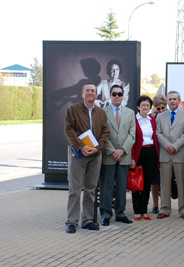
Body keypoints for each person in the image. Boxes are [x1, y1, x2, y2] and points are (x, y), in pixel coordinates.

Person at [64, 82, 110, 234]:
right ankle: (71, 222)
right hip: (78, 154)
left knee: (91, 189)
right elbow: (69, 130)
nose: (90, 93)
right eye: (87, 91)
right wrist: (81, 146)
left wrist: (97, 148)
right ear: (82, 94)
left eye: (93, 91)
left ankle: (88, 220)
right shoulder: (73, 109)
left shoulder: (101, 113)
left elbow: (105, 133)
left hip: (95, 155)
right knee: (75, 190)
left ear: (96, 95)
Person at [99, 84, 136, 226]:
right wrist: (112, 151)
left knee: (121, 188)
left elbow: (132, 135)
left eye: (119, 94)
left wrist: (122, 150)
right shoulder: (103, 112)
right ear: (110, 95)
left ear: (123, 96)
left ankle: (120, 214)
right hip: (108, 156)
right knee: (106, 187)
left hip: (124, 156)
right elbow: (101, 133)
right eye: (114, 94)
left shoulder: (130, 113)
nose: (117, 97)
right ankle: (106, 215)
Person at [156, 91, 184, 219]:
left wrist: (175, 146)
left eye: (174, 99)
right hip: (165, 154)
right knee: (164, 183)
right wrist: (168, 146)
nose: (172, 101)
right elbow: (158, 133)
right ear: (167, 101)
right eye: (170, 99)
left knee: (182, 182)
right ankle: (164, 208)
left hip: (179, 153)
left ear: (179, 100)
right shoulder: (160, 117)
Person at [130, 96, 159, 220]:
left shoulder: (152, 119)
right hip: (138, 152)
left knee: (147, 182)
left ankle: (144, 210)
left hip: (151, 152)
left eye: (148, 105)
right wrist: (132, 157)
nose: (145, 107)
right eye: (143, 105)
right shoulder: (133, 120)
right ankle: (137, 211)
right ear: (138, 107)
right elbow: (131, 140)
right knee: (136, 182)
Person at [150, 94, 168, 213]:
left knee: (167, 179)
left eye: (162, 108)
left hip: (168, 150)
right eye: (158, 108)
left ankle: (166, 204)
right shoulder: (152, 117)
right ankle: (155, 204)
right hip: (155, 151)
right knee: (155, 180)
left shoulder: (170, 115)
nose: (161, 110)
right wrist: (152, 116)